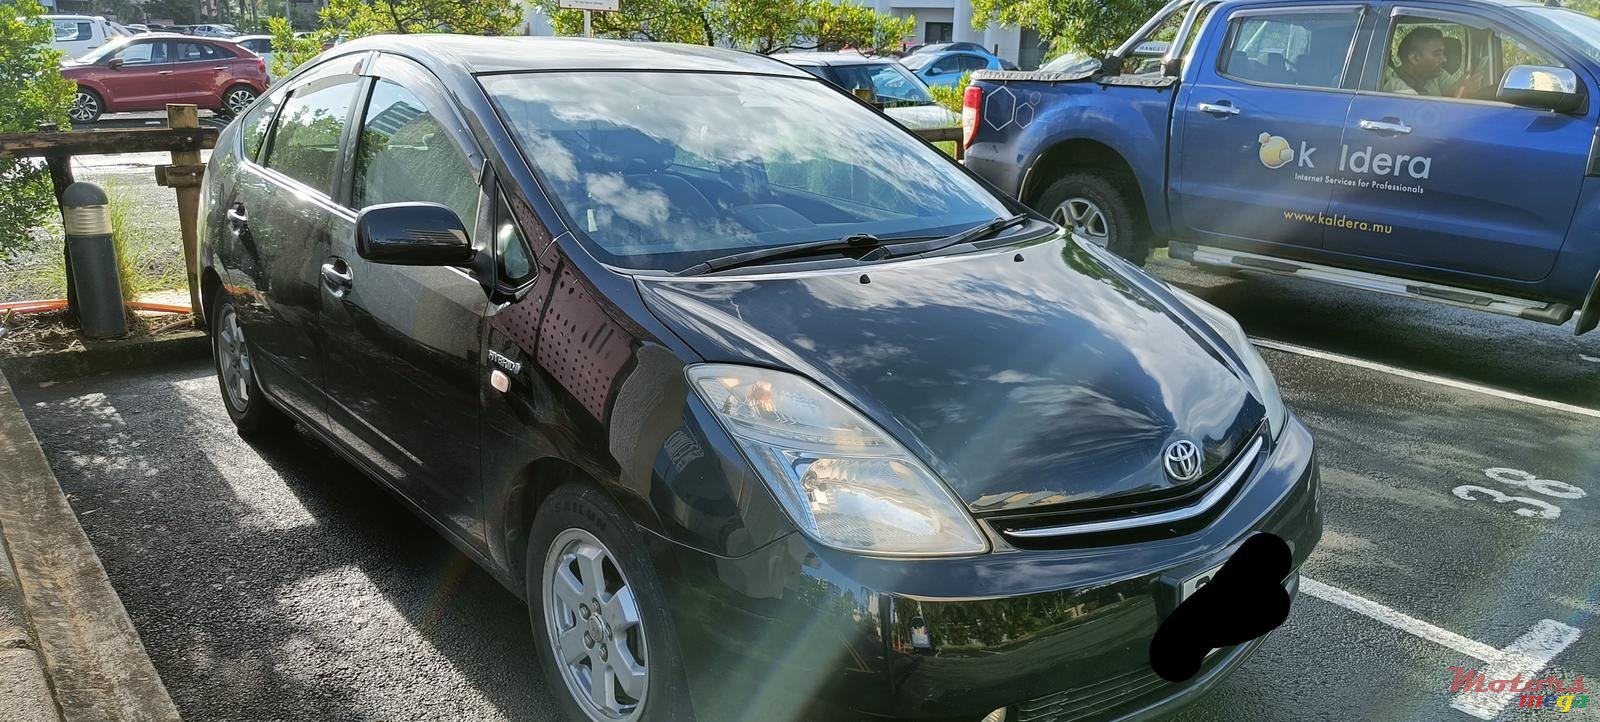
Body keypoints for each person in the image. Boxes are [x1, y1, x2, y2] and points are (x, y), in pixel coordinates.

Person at [1382, 26, 1483, 97]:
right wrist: (1461, 93)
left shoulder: (1434, 74)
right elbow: (1426, 115)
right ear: (1414, 58)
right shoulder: (1396, 88)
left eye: (1443, 53)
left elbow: (1453, 89)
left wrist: (1464, 87)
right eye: (1437, 53)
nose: (1444, 59)